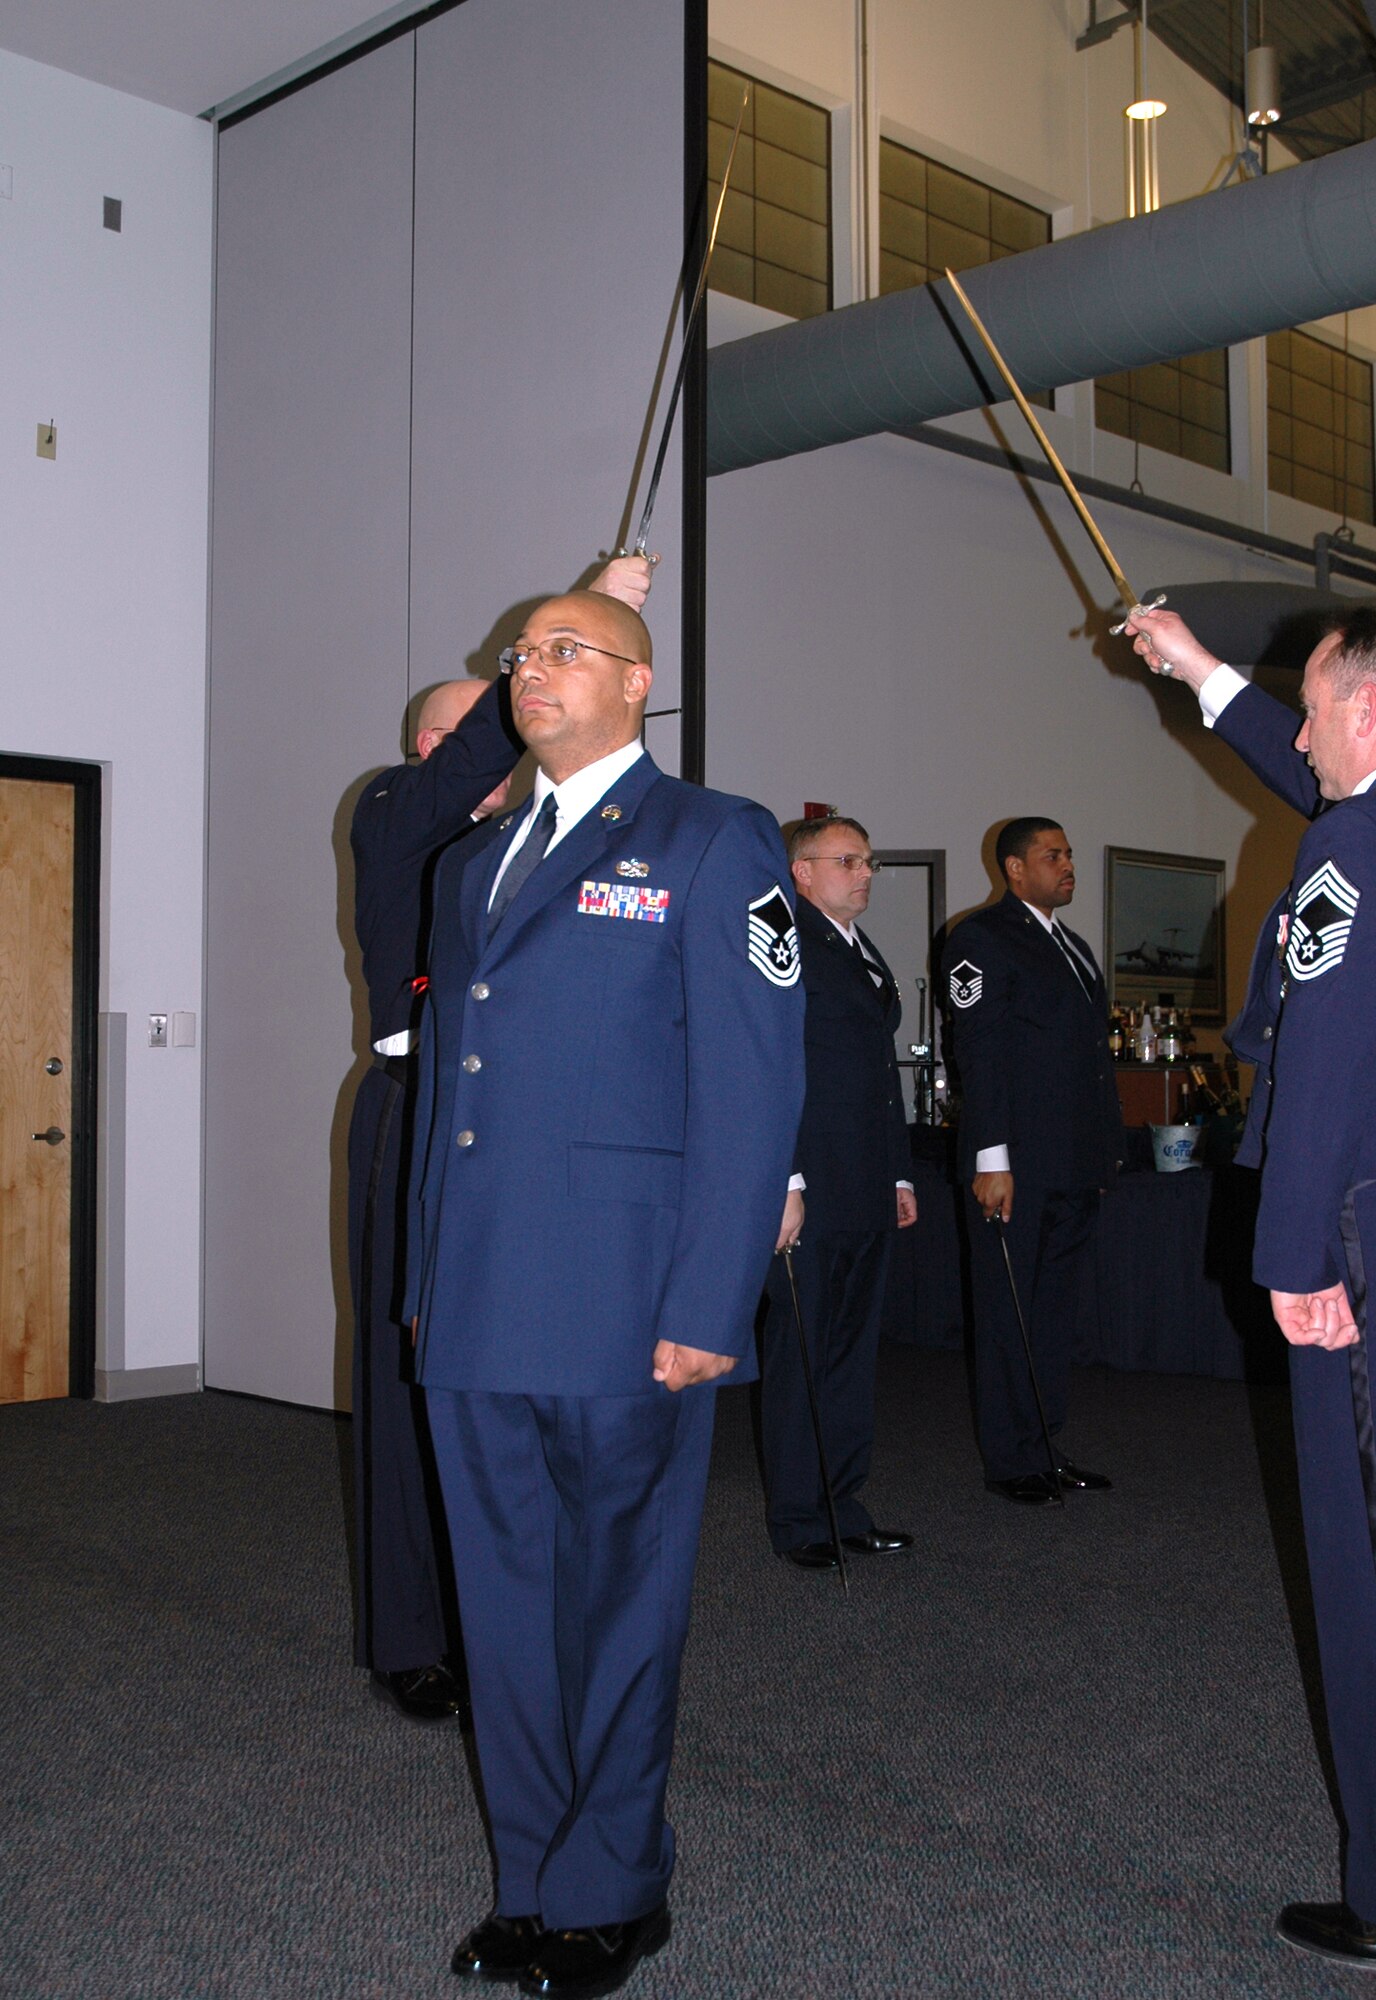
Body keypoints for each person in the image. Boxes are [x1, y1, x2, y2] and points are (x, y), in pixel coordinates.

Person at [403, 589, 804, 1996]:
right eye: (519, 655)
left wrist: (713, 1302)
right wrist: (425, 1278)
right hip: (478, 1297)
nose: (532, 672)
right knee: (504, 1609)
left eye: (564, 651)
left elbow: (754, 1093)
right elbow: (452, 1092)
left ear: (639, 683)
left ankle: (614, 1887)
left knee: (616, 1604)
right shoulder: (475, 862)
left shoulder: (715, 840)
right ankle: (533, 1882)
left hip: (631, 1300)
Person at [1127, 600, 1376, 1971]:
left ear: (1373, 714)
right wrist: (1197, 670)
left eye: (1317, 704)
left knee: (1366, 1570)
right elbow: (1310, 767)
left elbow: (1324, 1071)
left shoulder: (1355, 848)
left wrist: (1289, 1264)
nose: (1296, 734)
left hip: (1360, 1243)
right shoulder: (1371, 816)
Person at [347, 557, 651, 1722]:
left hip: (519, 1126)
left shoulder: (538, 841)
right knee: (405, 1372)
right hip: (412, 1111)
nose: (491, 736)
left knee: (504, 1383)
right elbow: (478, 745)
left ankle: (516, 1620)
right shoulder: (398, 815)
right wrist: (591, 600)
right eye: (464, 724)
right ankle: (411, 1635)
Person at [945, 821, 1124, 1503]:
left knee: (1051, 1315)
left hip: (1073, 1162)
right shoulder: (980, 938)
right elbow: (979, 1052)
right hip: (1015, 1165)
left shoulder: (1072, 947)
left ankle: (1045, 1444)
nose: (1067, 864)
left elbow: (1087, 1067)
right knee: (1007, 1311)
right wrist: (992, 1156)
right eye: (1053, 856)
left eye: (1069, 854)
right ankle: (1010, 1461)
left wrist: (1104, 1155)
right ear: (1014, 869)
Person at [759, 814, 917, 1571]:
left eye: (868, 860)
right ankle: (797, 1517)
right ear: (801, 871)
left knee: (850, 1356)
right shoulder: (782, 942)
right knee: (802, 1354)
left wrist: (896, 1171)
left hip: (861, 1181)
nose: (865, 872)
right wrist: (783, 1178)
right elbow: (767, 1068)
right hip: (810, 1183)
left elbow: (876, 1080)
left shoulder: (858, 950)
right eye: (848, 860)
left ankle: (842, 1503)